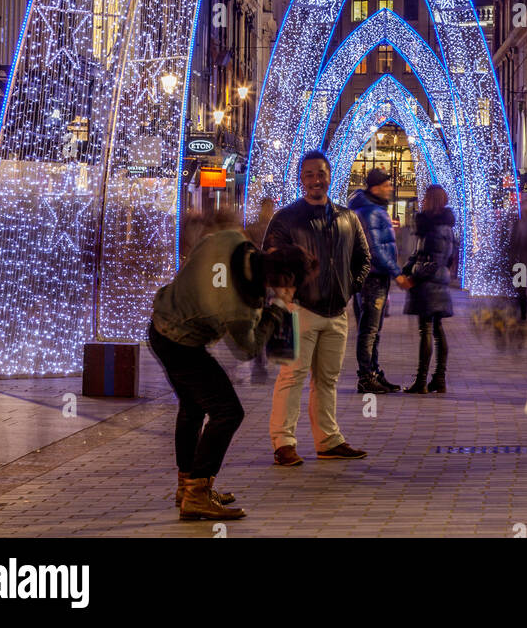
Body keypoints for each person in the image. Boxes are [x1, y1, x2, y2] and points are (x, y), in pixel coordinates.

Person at [149, 210, 315, 521]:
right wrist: (279, 305)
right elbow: (248, 349)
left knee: (193, 406)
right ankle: (197, 494)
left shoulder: (232, 239)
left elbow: (205, 246)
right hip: (179, 343)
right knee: (228, 411)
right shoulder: (238, 308)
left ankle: (188, 487)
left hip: (161, 325)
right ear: (284, 281)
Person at [264, 150, 372, 465]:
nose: (316, 180)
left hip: (336, 312)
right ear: (302, 179)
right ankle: (283, 442)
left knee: (328, 379)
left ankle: (328, 439)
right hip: (298, 309)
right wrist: (288, 293)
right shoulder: (286, 218)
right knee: (291, 376)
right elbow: (269, 260)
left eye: (321, 173)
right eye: (309, 174)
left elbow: (363, 259)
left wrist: (348, 289)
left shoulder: (347, 217)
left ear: (329, 175)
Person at [348, 168, 411, 394]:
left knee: (373, 329)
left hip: (373, 276)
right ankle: (366, 377)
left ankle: (373, 372)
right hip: (372, 277)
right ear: (375, 187)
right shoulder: (370, 212)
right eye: (386, 185)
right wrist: (398, 273)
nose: (390, 188)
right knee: (369, 330)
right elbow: (375, 249)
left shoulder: (369, 209)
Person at [402, 184, 456, 394]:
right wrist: (406, 269)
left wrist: (413, 279)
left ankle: (423, 380)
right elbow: (420, 254)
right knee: (436, 330)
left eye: (425, 198)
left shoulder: (437, 229)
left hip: (429, 285)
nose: (422, 201)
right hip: (436, 283)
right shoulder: (434, 227)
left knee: (427, 329)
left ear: (432, 201)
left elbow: (434, 261)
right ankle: (438, 379)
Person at [245, 197, 276, 384]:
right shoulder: (275, 228)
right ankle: (261, 359)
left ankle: (259, 361)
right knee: (266, 317)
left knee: (258, 318)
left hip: (257, 279)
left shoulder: (251, 228)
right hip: (267, 279)